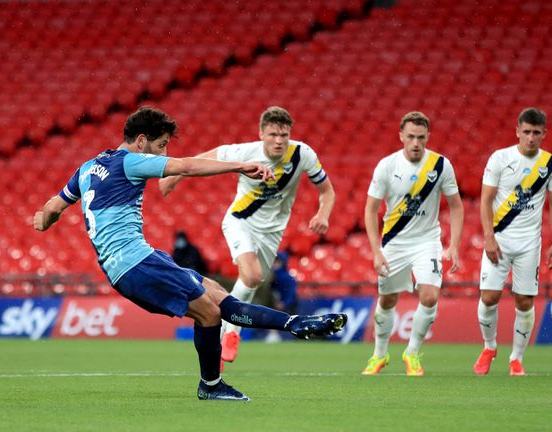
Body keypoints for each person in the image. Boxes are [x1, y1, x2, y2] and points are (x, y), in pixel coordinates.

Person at [33, 106, 346, 401]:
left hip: (139, 260)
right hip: (134, 264)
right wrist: (240, 166)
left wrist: (42, 221)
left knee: (218, 295)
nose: (164, 153)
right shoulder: (132, 161)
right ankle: (211, 385)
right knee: (209, 313)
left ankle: (296, 323)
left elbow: (52, 209)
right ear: (141, 142)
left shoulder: (87, 168)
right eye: (162, 145)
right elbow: (185, 166)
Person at [159, 106, 335, 367]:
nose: (279, 140)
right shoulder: (245, 152)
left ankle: (222, 337)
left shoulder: (303, 154)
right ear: (262, 133)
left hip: (272, 233)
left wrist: (323, 214)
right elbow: (209, 157)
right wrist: (174, 177)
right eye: (273, 134)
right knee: (252, 275)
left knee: (251, 282)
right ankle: (231, 332)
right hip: (240, 221)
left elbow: (327, 191)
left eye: (284, 135)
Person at [362, 111, 463, 376]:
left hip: (427, 241)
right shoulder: (387, 166)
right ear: (401, 136)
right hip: (394, 242)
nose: (416, 143)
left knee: (429, 295)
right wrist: (376, 251)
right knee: (387, 300)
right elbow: (371, 210)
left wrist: (453, 244)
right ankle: (379, 355)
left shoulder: (441, 166)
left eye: (420, 137)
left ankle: (412, 352)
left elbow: (456, 206)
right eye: (410, 137)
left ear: (428, 136)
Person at [473, 107, 552, 376]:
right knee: (489, 297)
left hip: (529, 243)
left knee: (524, 302)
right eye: (526, 132)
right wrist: (488, 237)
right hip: (499, 239)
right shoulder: (500, 158)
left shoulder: (551, 164)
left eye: (536, 133)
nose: (531, 138)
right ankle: (489, 347)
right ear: (517, 132)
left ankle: (516, 359)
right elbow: (485, 200)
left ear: (544, 134)